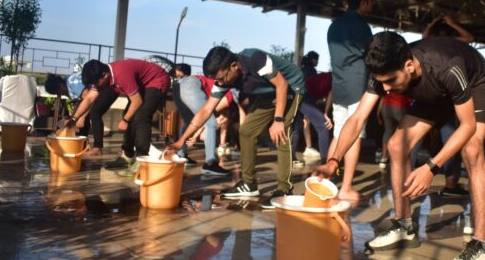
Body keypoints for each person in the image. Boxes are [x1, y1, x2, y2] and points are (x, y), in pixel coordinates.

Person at [313, 32, 485, 260]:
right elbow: (356, 119)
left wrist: (431, 167)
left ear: (409, 65)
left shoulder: (448, 66)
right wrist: (333, 161)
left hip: (472, 84)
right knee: (396, 145)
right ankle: (404, 226)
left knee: (472, 150)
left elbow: (468, 125)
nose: (386, 89)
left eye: (390, 81)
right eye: (382, 82)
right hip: (432, 94)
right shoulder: (385, 72)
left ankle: (481, 245)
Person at [165, 46, 304, 209]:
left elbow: (281, 84)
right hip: (268, 94)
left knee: (282, 132)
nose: (220, 83)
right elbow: (206, 110)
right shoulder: (224, 78)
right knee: (246, 131)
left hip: (291, 86)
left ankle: (284, 190)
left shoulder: (255, 59)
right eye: (217, 80)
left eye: (222, 78)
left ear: (234, 66)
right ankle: (249, 184)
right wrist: (181, 141)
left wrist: (278, 120)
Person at [62, 59, 170, 171]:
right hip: (143, 83)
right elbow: (89, 98)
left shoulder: (122, 74)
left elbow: (137, 101)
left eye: (96, 82)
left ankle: (142, 159)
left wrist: (125, 120)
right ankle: (127, 156)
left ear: (104, 75)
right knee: (129, 114)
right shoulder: (103, 76)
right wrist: (74, 118)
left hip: (157, 79)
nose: (96, 86)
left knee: (141, 116)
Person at [327, 0, 375, 200]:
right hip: (358, 84)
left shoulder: (334, 26)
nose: (371, 5)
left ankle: (326, 182)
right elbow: (371, 56)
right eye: (371, 1)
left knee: (339, 133)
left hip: (339, 85)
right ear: (363, 2)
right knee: (355, 134)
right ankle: (346, 188)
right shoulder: (362, 26)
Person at [423, 15, 475, 196]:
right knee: (451, 138)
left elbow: (423, 37)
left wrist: (430, 24)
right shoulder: (452, 42)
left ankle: (406, 178)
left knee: (416, 139)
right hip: (448, 96)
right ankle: (451, 184)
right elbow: (469, 38)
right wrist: (453, 23)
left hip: (431, 95)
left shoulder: (431, 42)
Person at [172, 66, 232, 177]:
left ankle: (181, 155)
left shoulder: (222, 84)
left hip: (178, 86)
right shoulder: (230, 95)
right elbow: (206, 115)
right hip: (191, 85)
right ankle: (210, 164)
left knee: (189, 121)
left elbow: (198, 120)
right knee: (211, 122)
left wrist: (196, 135)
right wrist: (198, 134)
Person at [45, 72, 116, 156]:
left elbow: (90, 101)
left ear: (60, 86)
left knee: (94, 113)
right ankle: (83, 144)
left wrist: (82, 117)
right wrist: (74, 117)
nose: (60, 95)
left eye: (58, 92)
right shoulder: (69, 84)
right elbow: (82, 103)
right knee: (81, 116)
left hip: (109, 85)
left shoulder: (73, 84)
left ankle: (97, 148)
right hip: (96, 91)